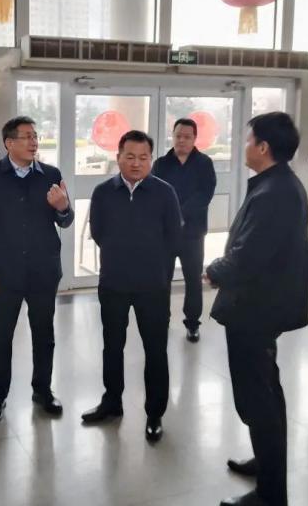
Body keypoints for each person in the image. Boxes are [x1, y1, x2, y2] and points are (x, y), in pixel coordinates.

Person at [205, 112, 308, 506]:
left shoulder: (274, 193)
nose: (245, 145)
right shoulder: (277, 184)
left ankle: (270, 494)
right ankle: (266, 462)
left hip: (255, 309)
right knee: (266, 392)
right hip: (261, 306)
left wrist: (214, 271)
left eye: (249, 140)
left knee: (258, 400)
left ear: (263, 147)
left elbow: (248, 255)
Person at [0, 116, 74, 425]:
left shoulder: (50, 175)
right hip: (5, 273)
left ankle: (42, 390)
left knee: (44, 334)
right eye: (27, 137)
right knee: (2, 336)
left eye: (35, 136)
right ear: (9, 143)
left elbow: (66, 219)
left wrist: (62, 207)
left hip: (43, 270)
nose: (34, 142)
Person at [81, 130, 182, 443]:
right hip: (114, 282)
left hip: (153, 285)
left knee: (155, 350)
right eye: (130, 157)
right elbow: (98, 232)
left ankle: (155, 413)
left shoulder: (164, 192)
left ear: (151, 159)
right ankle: (112, 402)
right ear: (118, 158)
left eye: (143, 157)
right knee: (112, 346)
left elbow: (173, 237)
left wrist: (154, 264)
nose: (136, 163)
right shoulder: (103, 192)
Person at [153, 118, 216, 342]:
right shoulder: (161, 164)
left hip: (193, 233)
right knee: (162, 280)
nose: (181, 140)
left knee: (193, 280)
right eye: (178, 135)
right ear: (173, 136)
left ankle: (192, 323)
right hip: (165, 234)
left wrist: (179, 213)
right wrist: (170, 217)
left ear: (194, 138)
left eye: (187, 137)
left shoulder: (204, 163)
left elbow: (205, 194)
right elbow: (155, 193)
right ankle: (162, 320)